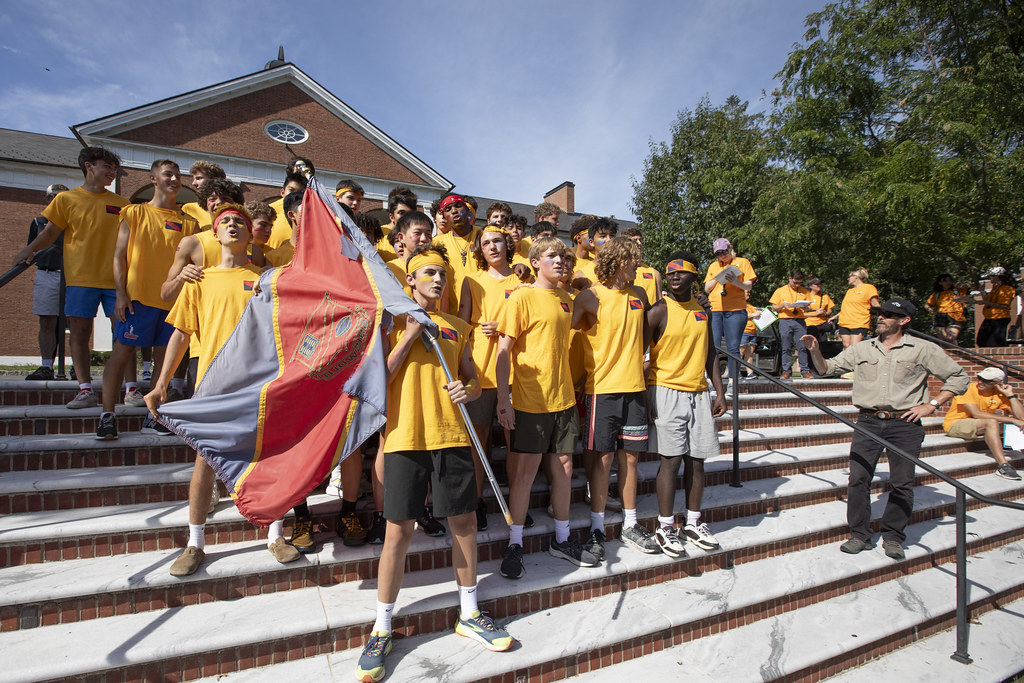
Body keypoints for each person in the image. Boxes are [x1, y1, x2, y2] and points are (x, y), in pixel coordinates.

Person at [356, 244, 512, 683]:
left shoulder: (458, 327)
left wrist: (469, 390)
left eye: (442, 274)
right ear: (410, 280)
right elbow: (378, 379)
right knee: (398, 532)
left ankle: (469, 613)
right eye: (428, 273)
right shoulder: (389, 323)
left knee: (464, 523)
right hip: (405, 437)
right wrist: (409, 335)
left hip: (451, 435)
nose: (437, 280)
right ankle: (381, 628)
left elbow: (473, 380)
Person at [146, 203, 300, 575]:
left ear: (251, 235)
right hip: (212, 383)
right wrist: (161, 383)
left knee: (267, 458)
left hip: (259, 384)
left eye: (240, 222)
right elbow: (181, 335)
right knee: (205, 461)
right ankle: (195, 543)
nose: (232, 225)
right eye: (225, 221)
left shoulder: (267, 280)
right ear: (214, 234)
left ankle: (275, 534)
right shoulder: (198, 279)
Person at [802, 298, 968, 561]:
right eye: (880, 313)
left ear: (904, 320)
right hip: (868, 422)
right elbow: (827, 369)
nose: (881, 317)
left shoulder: (923, 349)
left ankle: (893, 536)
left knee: (902, 483)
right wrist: (815, 351)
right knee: (858, 479)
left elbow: (959, 377)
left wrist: (932, 405)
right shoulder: (862, 348)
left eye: (889, 315)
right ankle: (859, 535)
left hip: (905, 424)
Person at [495, 236, 599, 578]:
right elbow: (503, 351)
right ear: (535, 261)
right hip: (530, 399)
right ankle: (515, 543)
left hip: (564, 398)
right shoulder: (521, 297)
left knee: (565, 468)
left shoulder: (567, 300)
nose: (560, 261)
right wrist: (503, 400)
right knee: (525, 473)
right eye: (552, 255)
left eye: (564, 257)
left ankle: (562, 539)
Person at [13, 147, 129, 408]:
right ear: (89, 166)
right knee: (79, 334)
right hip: (80, 279)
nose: (112, 172)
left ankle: (126, 387)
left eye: (114, 168)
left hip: (116, 281)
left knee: (123, 335)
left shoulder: (123, 204)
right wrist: (28, 250)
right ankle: (85, 389)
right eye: (107, 166)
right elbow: (49, 233)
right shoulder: (66, 199)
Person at [97, 160, 200, 439]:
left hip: (173, 302)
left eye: (178, 175)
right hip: (138, 299)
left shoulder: (189, 222)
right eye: (168, 174)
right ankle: (107, 415)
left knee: (162, 360)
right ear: (153, 179)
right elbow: (119, 256)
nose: (174, 179)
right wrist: (120, 293)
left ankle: (152, 416)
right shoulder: (134, 212)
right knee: (122, 353)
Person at [571, 237, 657, 559]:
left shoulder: (640, 295)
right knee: (603, 460)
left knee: (630, 459)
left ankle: (630, 524)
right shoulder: (590, 296)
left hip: (635, 389)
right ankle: (596, 527)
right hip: (602, 389)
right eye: (634, 259)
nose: (639, 265)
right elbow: (563, 334)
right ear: (619, 261)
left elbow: (644, 336)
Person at [647, 252, 727, 557]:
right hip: (665, 390)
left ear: (694, 277)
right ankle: (665, 527)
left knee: (697, 460)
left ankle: (692, 523)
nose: (674, 277)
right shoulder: (658, 310)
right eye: (670, 273)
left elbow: (711, 353)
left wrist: (719, 392)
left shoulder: (703, 311)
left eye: (681, 273)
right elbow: (640, 354)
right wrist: (645, 396)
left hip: (699, 392)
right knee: (671, 460)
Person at [458, 226, 520, 532]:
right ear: (479, 250)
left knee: (514, 441)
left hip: (514, 371)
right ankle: (478, 500)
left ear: (507, 244)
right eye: (486, 243)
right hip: (481, 370)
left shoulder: (522, 281)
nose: (492, 247)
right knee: (477, 441)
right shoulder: (471, 280)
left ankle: (516, 502)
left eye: (497, 241)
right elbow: (461, 326)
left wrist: (504, 325)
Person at [943, 367, 1023, 480]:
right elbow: (976, 414)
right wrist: (1012, 420)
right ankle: (1003, 465)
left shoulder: (999, 394)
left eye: (986, 380)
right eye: (979, 378)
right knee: (993, 422)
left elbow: (1021, 417)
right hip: (955, 424)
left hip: (980, 425)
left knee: (1019, 424)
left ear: (997, 383)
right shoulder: (967, 388)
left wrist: (1010, 395)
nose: (980, 382)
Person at [24, 183, 69, 381]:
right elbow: (32, 249)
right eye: (54, 197)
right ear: (48, 199)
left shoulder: (73, 221)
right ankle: (46, 366)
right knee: (47, 321)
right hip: (47, 272)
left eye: (62, 198)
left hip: (71, 275)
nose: (58, 201)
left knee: (77, 322)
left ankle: (76, 368)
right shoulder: (38, 222)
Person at [703, 238, 756, 394]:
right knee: (713, 345)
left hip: (735, 309)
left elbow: (749, 285)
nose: (722, 255)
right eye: (718, 253)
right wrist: (718, 277)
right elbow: (707, 288)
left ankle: (733, 382)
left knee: (733, 346)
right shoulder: (714, 266)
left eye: (724, 252)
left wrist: (736, 282)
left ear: (730, 249)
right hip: (716, 309)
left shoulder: (742, 262)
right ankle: (712, 381)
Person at [432, 194, 479, 310]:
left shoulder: (484, 235)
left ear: (467, 211)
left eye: (458, 206)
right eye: (448, 209)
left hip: (483, 309)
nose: (454, 211)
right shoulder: (437, 243)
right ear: (445, 217)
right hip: (451, 312)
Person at [769, 269, 813, 379]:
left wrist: (805, 307)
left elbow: (809, 308)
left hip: (799, 321)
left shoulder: (805, 291)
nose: (797, 285)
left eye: (800, 283)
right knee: (786, 347)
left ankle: (805, 370)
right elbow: (774, 307)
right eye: (795, 282)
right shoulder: (780, 291)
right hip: (785, 320)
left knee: (802, 346)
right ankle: (786, 371)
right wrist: (783, 305)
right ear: (790, 278)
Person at [962, 267, 1016, 347]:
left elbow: (1004, 305)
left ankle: (1004, 353)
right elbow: (988, 301)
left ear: (997, 277)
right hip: (989, 317)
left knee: (999, 340)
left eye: (991, 276)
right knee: (981, 341)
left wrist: (984, 302)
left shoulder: (1006, 289)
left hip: (1000, 317)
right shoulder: (995, 288)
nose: (989, 278)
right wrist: (982, 291)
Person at [831, 267, 879, 348]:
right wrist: (834, 317)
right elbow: (847, 307)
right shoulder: (849, 291)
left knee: (854, 347)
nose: (848, 279)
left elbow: (875, 303)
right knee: (846, 346)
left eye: (849, 276)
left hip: (859, 322)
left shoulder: (869, 288)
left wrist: (883, 314)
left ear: (856, 277)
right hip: (844, 322)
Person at [621, 227, 662, 305]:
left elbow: (660, 302)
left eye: (640, 240)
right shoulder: (619, 270)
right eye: (635, 240)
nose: (639, 243)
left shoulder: (654, 273)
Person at [924, 274, 967, 345]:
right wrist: (932, 311)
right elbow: (927, 305)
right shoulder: (937, 294)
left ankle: (955, 351)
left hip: (955, 316)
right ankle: (944, 352)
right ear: (940, 283)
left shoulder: (959, 291)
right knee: (942, 340)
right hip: (940, 316)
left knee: (951, 337)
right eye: (945, 281)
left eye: (950, 280)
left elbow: (971, 288)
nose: (948, 282)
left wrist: (962, 285)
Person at [181, 161, 226, 228]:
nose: (194, 183)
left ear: (214, 179)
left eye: (198, 178)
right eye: (194, 179)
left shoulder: (231, 209)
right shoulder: (188, 209)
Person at [803, 277, 835, 346]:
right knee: (811, 345)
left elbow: (830, 310)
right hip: (810, 325)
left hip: (822, 324)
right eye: (816, 284)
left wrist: (825, 313)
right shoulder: (805, 297)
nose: (819, 285)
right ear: (811, 286)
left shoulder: (825, 296)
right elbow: (801, 314)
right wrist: (815, 314)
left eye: (820, 284)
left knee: (823, 345)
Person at [739, 290, 759, 379]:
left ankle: (750, 373)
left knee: (750, 353)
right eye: (747, 292)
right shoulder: (738, 305)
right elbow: (741, 316)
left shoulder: (750, 306)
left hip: (752, 332)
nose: (749, 294)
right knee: (740, 352)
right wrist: (754, 314)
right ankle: (736, 372)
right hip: (744, 331)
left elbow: (757, 314)